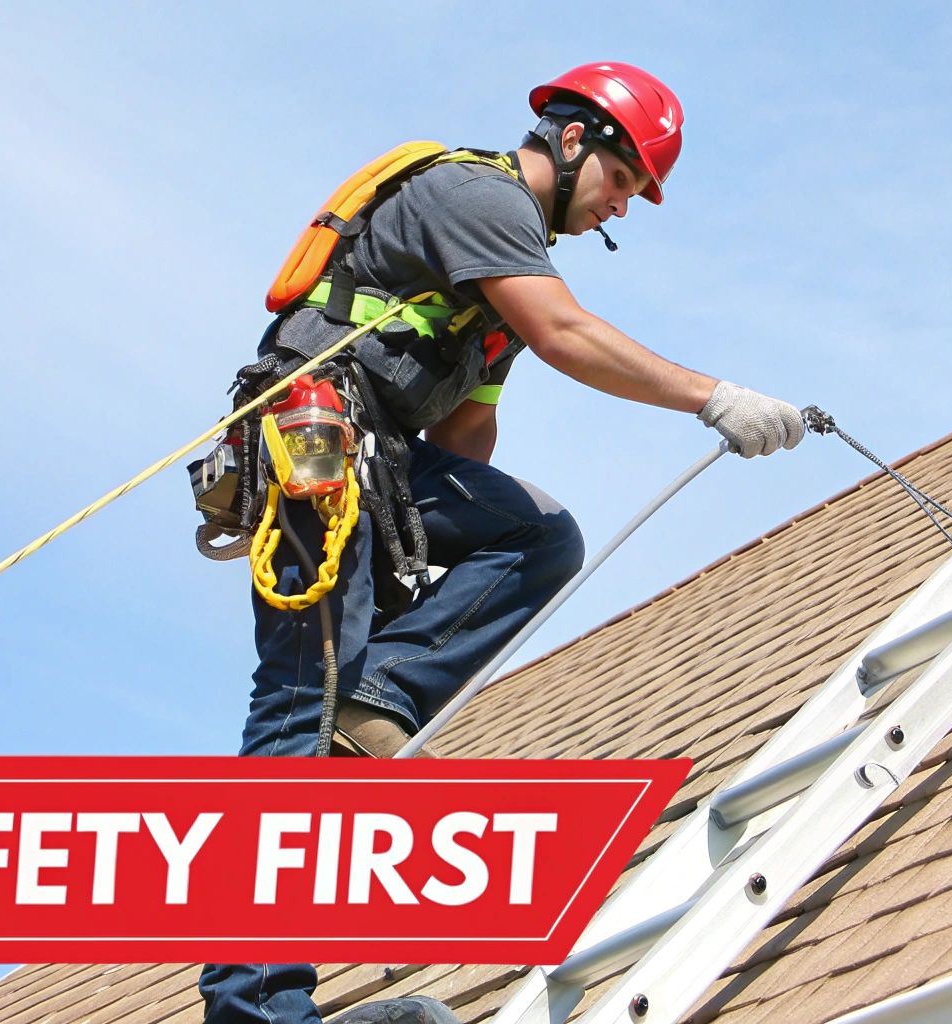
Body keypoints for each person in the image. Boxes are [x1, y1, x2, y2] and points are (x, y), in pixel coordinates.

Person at [201, 62, 803, 1024]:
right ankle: (253, 1010)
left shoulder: (493, 291)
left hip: (382, 462)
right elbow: (565, 331)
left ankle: (378, 692)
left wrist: (424, 576)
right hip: (314, 444)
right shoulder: (477, 195)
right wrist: (712, 397)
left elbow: (466, 441)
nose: (619, 211)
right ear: (574, 141)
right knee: (293, 721)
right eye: (624, 182)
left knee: (536, 536)